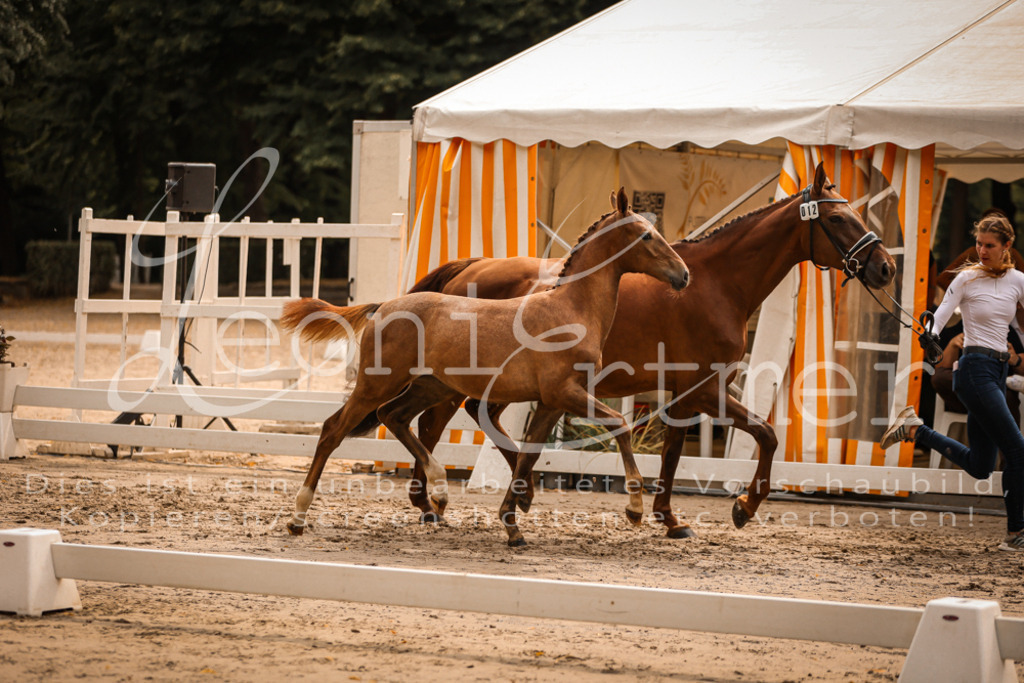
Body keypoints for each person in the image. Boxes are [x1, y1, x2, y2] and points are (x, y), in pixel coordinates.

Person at [881, 213, 1024, 552]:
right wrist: (929, 336)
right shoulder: (966, 279)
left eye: (990, 245)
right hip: (973, 370)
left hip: (998, 372)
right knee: (1017, 451)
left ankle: (916, 429)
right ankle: (1017, 534)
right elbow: (941, 314)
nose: (982, 250)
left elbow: (1019, 329)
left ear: (1007, 247)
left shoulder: (1017, 280)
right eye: (979, 244)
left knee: (981, 466)